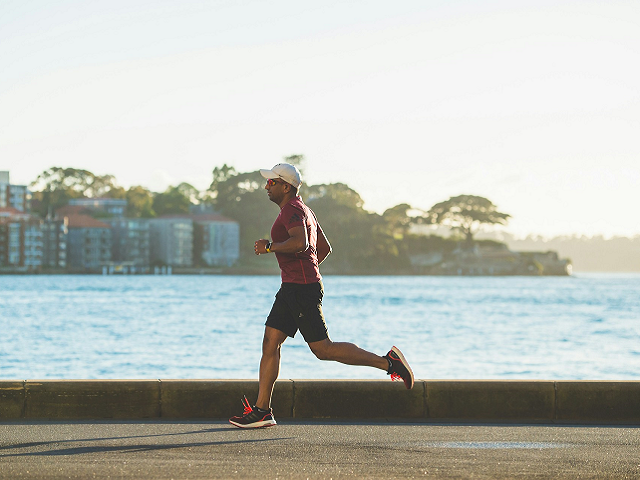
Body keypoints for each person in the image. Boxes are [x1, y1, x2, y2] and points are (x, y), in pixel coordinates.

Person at [229, 163, 414, 428]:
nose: (266, 186)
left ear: (285, 186)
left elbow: (302, 243)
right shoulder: (305, 210)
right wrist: (305, 270)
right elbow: (323, 248)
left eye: (271, 182)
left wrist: (271, 247)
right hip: (294, 287)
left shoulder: (293, 210)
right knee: (270, 342)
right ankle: (262, 411)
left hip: (300, 290)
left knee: (323, 349)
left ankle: (389, 363)